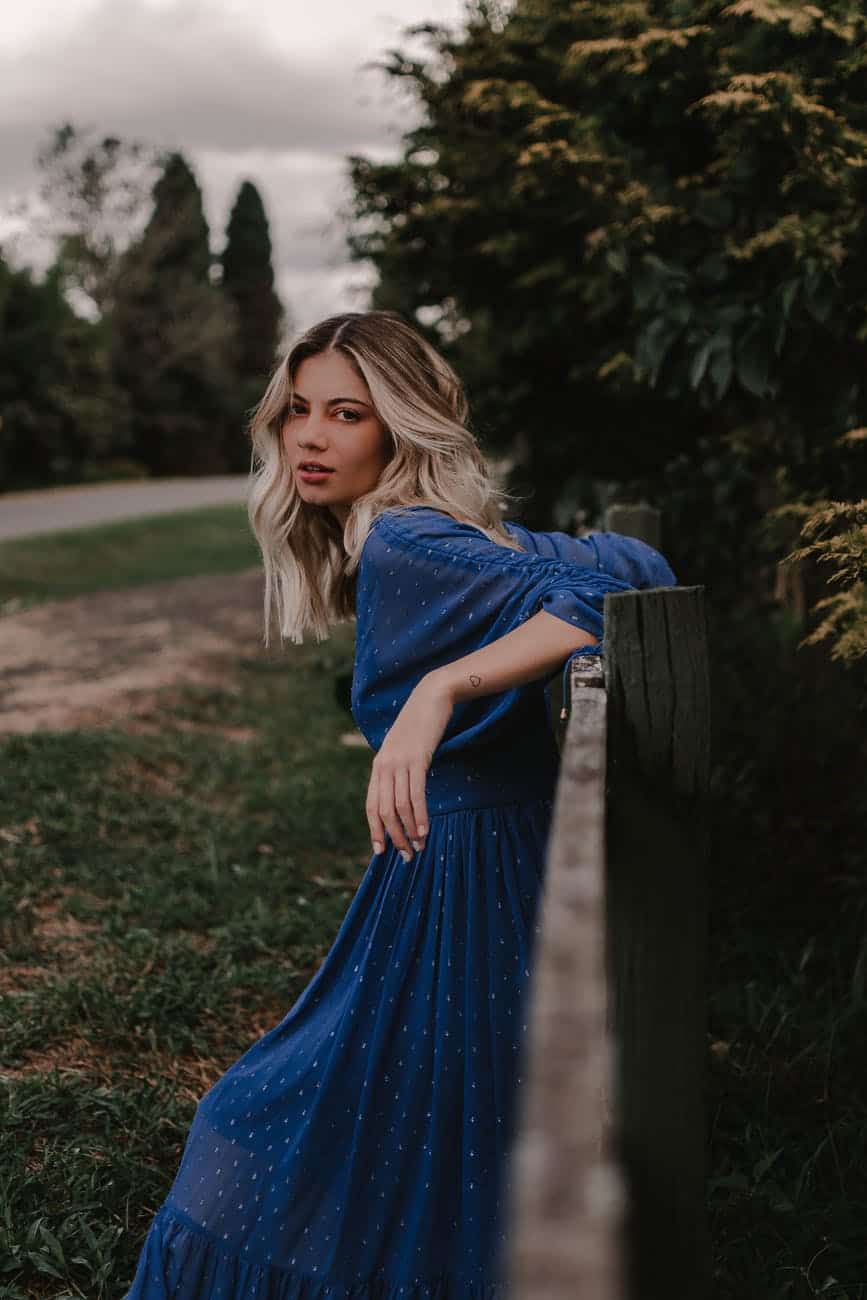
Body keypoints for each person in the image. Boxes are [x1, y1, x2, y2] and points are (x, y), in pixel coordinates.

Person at [122, 310, 676, 1299]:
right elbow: (620, 565)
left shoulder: (410, 542)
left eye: (347, 413)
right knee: (452, 1129)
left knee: (257, 1115)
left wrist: (440, 689)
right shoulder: (439, 533)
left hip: (463, 877)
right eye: (298, 411)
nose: (311, 437)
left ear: (400, 427)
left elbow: (618, 593)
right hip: (481, 861)